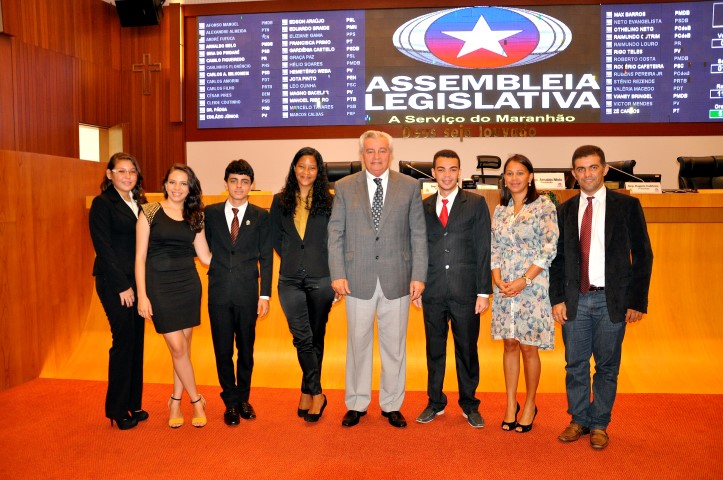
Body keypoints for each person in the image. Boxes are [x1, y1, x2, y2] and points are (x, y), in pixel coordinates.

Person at [550, 145, 653, 450]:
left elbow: (643, 255)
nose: (587, 174)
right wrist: (557, 298)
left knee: (607, 367)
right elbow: (556, 259)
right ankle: (579, 419)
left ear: (605, 170)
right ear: (573, 174)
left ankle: (599, 424)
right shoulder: (564, 210)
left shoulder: (627, 206)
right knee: (575, 364)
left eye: (593, 167)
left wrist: (636, 301)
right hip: (576, 300)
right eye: (580, 169)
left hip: (613, 301)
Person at [328, 130, 428, 429]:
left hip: (397, 278)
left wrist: (419, 276)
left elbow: (418, 235)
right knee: (357, 345)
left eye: (382, 150)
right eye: (370, 151)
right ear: (362, 155)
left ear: (390, 154)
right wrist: (338, 273)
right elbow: (335, 234)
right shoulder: (344, 187)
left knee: (394, 347)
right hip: (356, 279)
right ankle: (357, 403)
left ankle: (392, 404)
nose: (376, 156)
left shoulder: (409, 186)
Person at [412, 149, 491, 428]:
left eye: (452, 169)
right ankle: (435, 402)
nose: (447, 175)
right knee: (434, 350)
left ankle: (470, 404)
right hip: (432, 291)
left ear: (460, 172)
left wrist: (484, 291)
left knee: (467, 350)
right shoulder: (421, 206)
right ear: (433, 173)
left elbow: (484, 249)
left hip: (466, 292)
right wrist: (417, 284)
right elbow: (417, 249)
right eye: (441, 169)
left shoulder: (476, 203)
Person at [135, 164, 212, 429]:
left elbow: (205, 257)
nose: (177, 188)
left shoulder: (195, 215)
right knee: (178, 348)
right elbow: (140, 257)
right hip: (159, 287)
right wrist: (142, 296)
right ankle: (197, 400)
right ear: (165, 184)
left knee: (182, 351)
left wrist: (238, 262)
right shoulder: (148, 211)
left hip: (188, 286)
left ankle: (175, 401)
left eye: (183, 183)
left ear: (190, 188)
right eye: (172, 182)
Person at [491, 154, 559, 433]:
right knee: (509, 344)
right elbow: (494, 249)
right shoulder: (500, 210)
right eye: (509, 173)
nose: (514, 178)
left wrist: (524, 280)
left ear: (530, 176)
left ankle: (530, 403)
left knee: (529, 347)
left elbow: (549, 247)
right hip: (504, 287)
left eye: (520, 173)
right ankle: (510, 403)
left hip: (532, 286)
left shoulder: (544, 206)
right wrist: (497, 280)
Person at [270, 147, 336, 423]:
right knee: (302, 336)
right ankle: (317, 391)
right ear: (294, 168)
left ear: (319, 172)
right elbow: (275, 237)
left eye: (312, 167)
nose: (306, 172)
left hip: (322, 278)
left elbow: (336, 241)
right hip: (290, 280)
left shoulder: (331, 202)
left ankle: (307, 391)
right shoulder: (280, 200)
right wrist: (296, 258)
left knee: (316, 336)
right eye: (301, 166)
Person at [204, 159, 272, 426]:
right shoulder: (209, 213)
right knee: (223, 351)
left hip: (247, 294)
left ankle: (244, 398)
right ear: (226, 183)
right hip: (218, 293)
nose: (239, 186)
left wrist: (264, 295)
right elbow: (201, 248)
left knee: (245, 349)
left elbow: (266, 257)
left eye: (245, 181)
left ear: (251, 185)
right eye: (234, 180)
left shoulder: (260, 216)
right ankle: (230, 402)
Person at [89, 152, 148, 430]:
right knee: (124, 340)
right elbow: (103, 248)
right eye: (121, 171)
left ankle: (132, 403)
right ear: (110, 174)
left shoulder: (140, 203)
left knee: (137, 340)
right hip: (115, 282)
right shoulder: (102, 204)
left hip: (137, 281)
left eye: (132, 171)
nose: (127, 176)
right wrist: (122, 285)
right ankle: (116, 408)